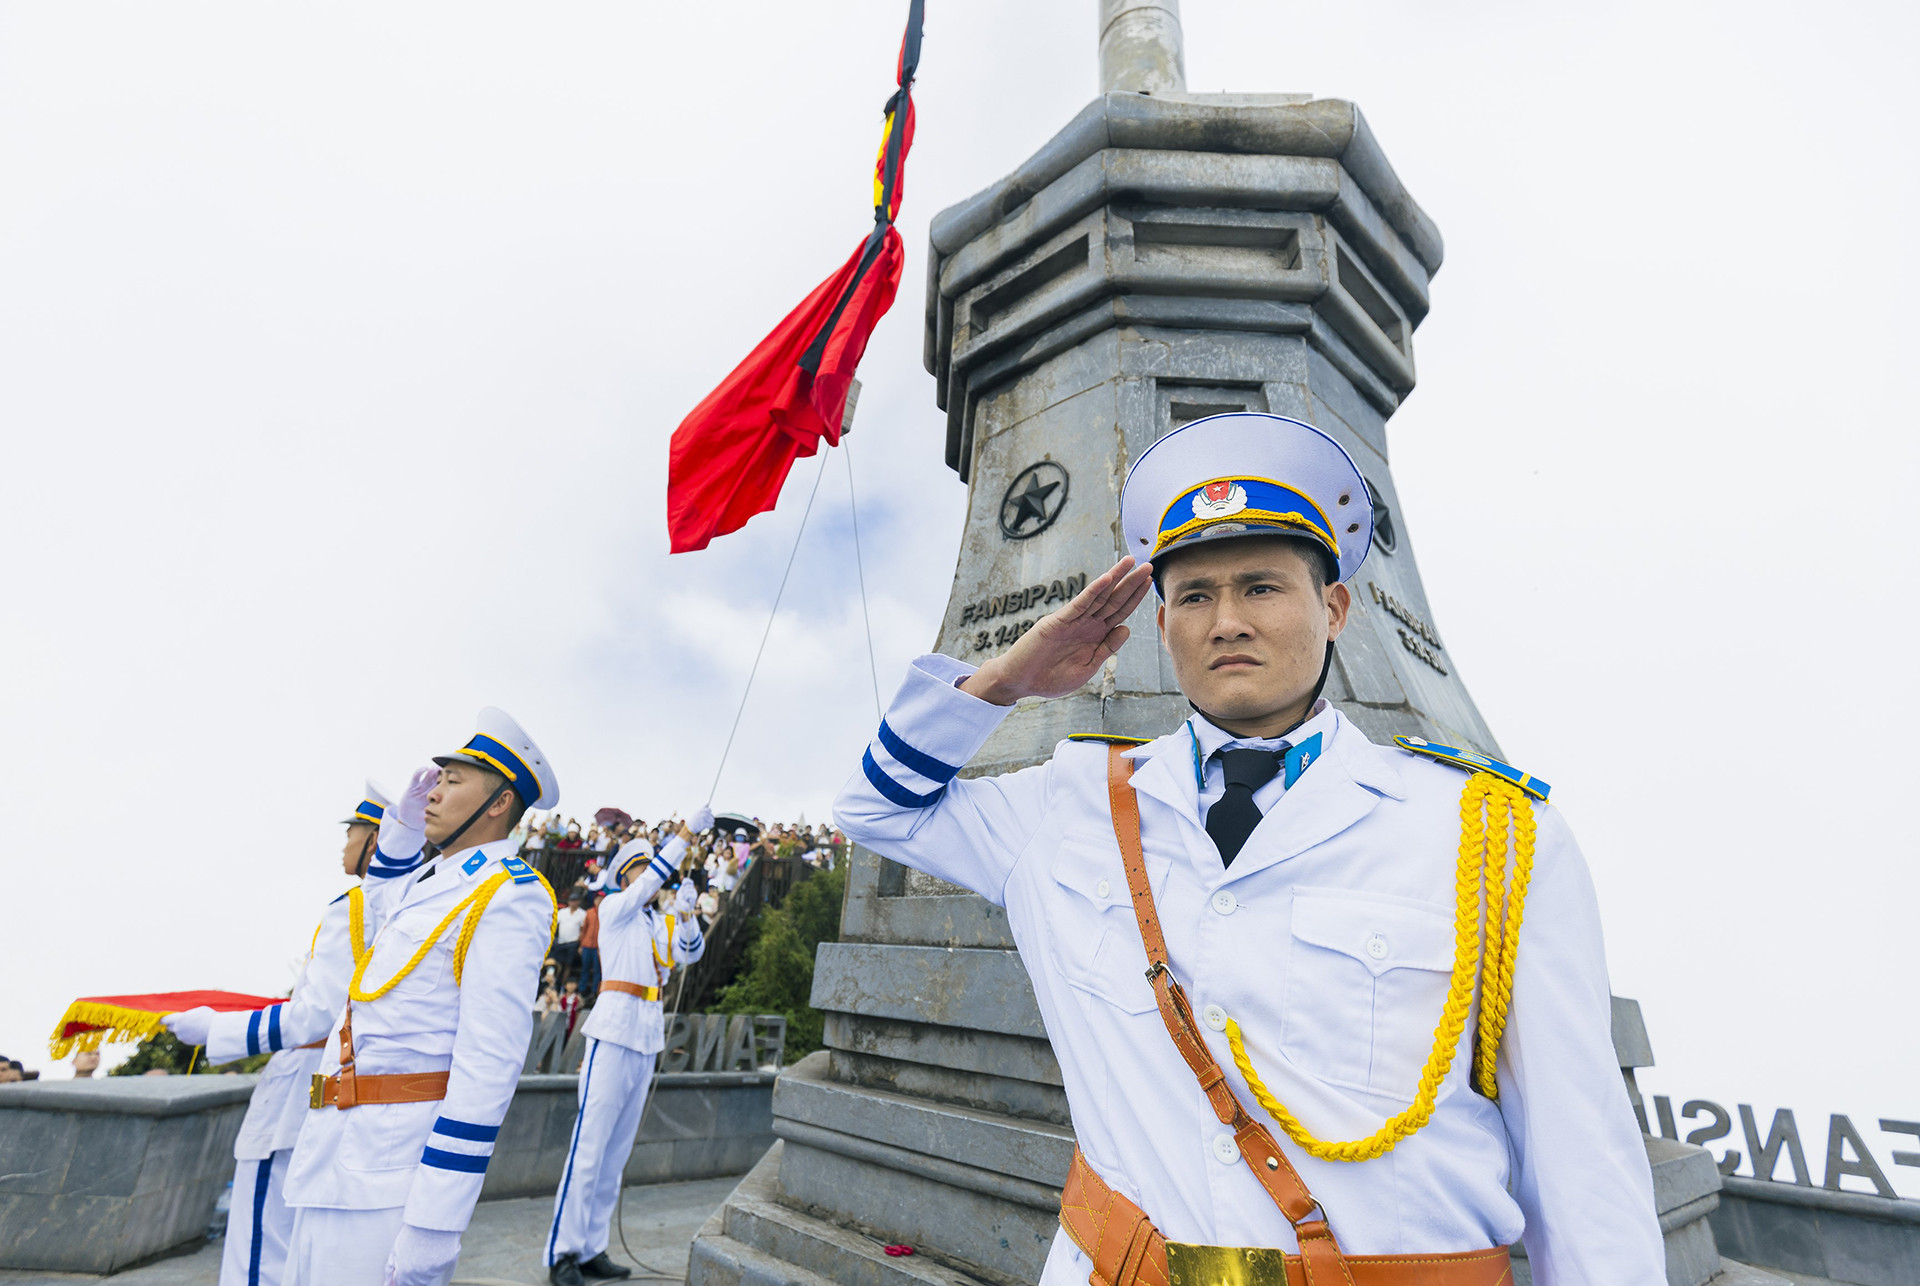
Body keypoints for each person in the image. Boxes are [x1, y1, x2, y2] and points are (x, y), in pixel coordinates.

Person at [833, 413, 1663, 1284]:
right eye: (1195, 597)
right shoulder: (1069, 804)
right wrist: (1004, 682)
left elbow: (1584, 1171)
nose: (1226, 621)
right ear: (1163, 625)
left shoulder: (1487, 834)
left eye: (1261, 587)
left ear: (1334, 609)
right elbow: (875, 809)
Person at [279, 708, 562, 1286]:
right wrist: (403, 830)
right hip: (332, 1158)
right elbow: (378, 903)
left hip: (389, 1178)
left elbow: (488, 1066)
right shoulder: (433, 881)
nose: (433, 792)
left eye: (453, 781)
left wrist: (435, 1226)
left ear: (500, 803)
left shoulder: (509, 896)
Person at [165, 780, 423, 1286]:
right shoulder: (408, 905)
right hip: (339, 1094)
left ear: (375, 839)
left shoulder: (355, 905)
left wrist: (217, 1028)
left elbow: (317, 1014)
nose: (344, 844)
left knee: (260, 1259)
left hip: (298, 1095)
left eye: (352, 832)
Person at [544, 808, 710, 1286]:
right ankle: (562, 1252)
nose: (650, 877)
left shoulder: (655, 922)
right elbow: (646, 886)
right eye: (642, 869)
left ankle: (592, 1247)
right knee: (589, 1148)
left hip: (645, 1035)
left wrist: (687, 915)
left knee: (614, 1154)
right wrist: (684, 836)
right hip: (613, 1031)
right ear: (627, 875)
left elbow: (689, 954)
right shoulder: (616, 907)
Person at [552, 891, 587, 987]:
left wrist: (580, 944)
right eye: (571, 901)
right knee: (557, 964)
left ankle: (563, 985)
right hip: (561, 942)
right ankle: (555, 984)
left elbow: (582, 930)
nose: (573, 903)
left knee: (568, 964)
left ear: (579, 902)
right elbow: (555, 925)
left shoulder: (582, 914)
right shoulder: (562, 912)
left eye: (575, 901)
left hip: (573, 943)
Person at [577, 893, 602, 998]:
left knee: (597, 970)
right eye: (597, 899)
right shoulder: (589, 912)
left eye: (601, 899)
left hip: (598, 946)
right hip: (587, 944)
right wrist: (581, 944)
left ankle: (594, 991)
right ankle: (581, 990)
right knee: (585, 968)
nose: (599, 901)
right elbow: (584, 929)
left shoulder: (605, 913)